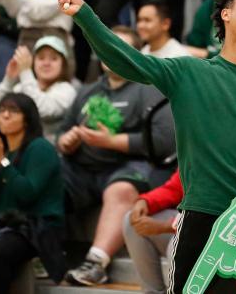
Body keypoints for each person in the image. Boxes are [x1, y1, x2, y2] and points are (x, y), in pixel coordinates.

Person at [58, 0, 236, 293]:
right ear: (225, 14)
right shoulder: (189, 72)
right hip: (204, 217)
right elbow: (127, 61)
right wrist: (85, 15)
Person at [60, 26, 175, 286]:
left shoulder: (149, 85)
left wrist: (113, 142)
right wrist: (65, 141)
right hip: (84, 168)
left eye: (117, 46)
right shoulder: (88, 91)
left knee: (121, 188)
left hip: (133, 166)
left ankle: (96, 262)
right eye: (104, 45)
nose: (109, 51)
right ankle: (46, 251)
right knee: (48, 174)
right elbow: (63, 131)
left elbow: (164, 141)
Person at [0, 93, 65, 294]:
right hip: (9, 225)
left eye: (13, 111)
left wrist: (3, 164)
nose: (5, 115)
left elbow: (28, 193)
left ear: (27, 118)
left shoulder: (40, 148)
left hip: (40, 227)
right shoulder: (2, 153)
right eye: (1, 111)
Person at [0, 35, 76, 143]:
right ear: (33, 62)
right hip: (20, 150)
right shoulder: (21, 87)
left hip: (48, 152)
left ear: (63, 64)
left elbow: (43, 110)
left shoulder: (67, 90)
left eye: (53, 58)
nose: (46, 63)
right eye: (41, 58)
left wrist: (25, 71)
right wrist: (9, 80)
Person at [123, 169, 183, 294]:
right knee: (132, 222)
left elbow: (212, 214)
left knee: (178, 243)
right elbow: (174, 188)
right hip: (185, 222)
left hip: (219, 236)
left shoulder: (224, 155)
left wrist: (166, 226)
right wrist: (145, 201)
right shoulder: (193, 153)